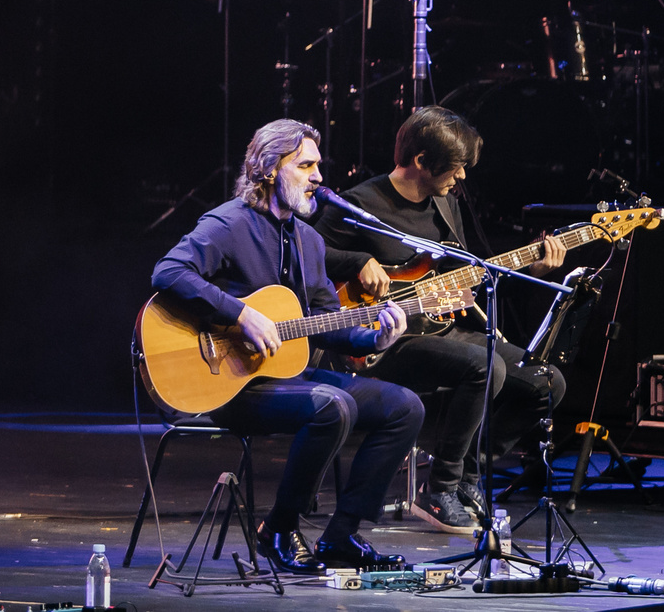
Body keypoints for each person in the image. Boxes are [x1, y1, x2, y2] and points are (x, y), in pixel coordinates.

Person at [151, 120, 423, 575]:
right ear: (268, 169)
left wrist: (375, 336)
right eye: (305, 165)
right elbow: (168, 273)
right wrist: (239, 313)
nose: (318, 176)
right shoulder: (228, 224)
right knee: (332, 407)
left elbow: (325, 324)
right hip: (232, 383)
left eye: (319, 166)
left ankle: (341, 537)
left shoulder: (309, 240)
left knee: (405, 407)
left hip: (288, 377)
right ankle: (279, 527)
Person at [312, 106, 568, 532]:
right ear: (420, 162)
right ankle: (442, 489)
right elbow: (307, 254)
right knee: (485, 365)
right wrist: (358, 261)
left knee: (547, 382)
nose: (463, 176)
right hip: (380, 341)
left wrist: (532, 268)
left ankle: (469, 472)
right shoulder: (360, 204)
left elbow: (463, 277)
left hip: (438, 328)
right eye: (456, 166)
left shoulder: (445, 204)